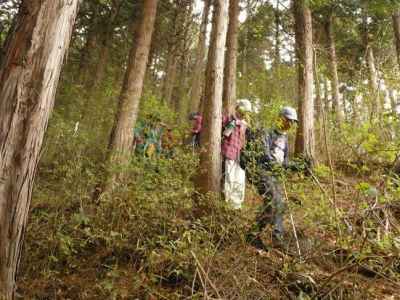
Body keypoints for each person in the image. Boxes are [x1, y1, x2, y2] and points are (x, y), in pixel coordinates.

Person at [243, 106, 299, 250]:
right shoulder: (267, 132)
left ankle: (277, 238)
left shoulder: (285, 139)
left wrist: (298, 166)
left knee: (279, 203)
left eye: (292, 122)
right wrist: (276, 166)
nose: (290, 124)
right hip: (260, 171)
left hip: (274, 174)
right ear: (280, 118)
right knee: (273, 200)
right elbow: (264, 155)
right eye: (288, 121)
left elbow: (285, 162)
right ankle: (252, 235)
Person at [222, 99, 253, 208]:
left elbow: (247, 141)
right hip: (229, 153)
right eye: (244, 111)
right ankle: (227, 203)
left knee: (239, 180)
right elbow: (223, 131)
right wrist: (232, 124)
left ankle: (236, 206)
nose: (245, 114)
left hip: (240, 157)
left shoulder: (246, 125)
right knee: (229, 178)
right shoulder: (229, 119)